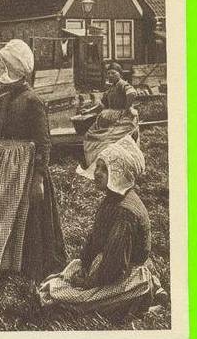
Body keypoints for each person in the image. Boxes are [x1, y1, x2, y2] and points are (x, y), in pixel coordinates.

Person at [37, 135, 167, 315]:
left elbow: (116, 263)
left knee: (71, 300)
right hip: (107, 263)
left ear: (118, 175)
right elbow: (95, 238)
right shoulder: (112, 199)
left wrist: (88, 282)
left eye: (104, 169)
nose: (97, 172)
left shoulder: (124, 211)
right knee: (69, 273)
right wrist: (85, 264)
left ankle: (141, 297)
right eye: (97, 166)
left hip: (126, 274)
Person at [0, 39, 66, 281]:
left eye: (9, 69)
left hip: (24, 167)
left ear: (21, 72)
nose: (4, 75)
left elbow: (43, 142)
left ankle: (27, 267)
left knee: (27, 216)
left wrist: (38, 179)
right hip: (0, 165)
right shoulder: (1, 101)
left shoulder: (33, 101)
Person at [78, 62, 139, 178]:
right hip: (109, 118)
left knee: (107, 142)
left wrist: (127, 109)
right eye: (109, 73)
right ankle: (98, 166)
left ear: (120, 74)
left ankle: (113, 168)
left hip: (121, 119)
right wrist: (88, 111)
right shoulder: (110, 88)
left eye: (113, 73)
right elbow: (101, 105)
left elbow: (132, 93)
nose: (110, 75)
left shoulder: (122, 84)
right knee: (90, 136)